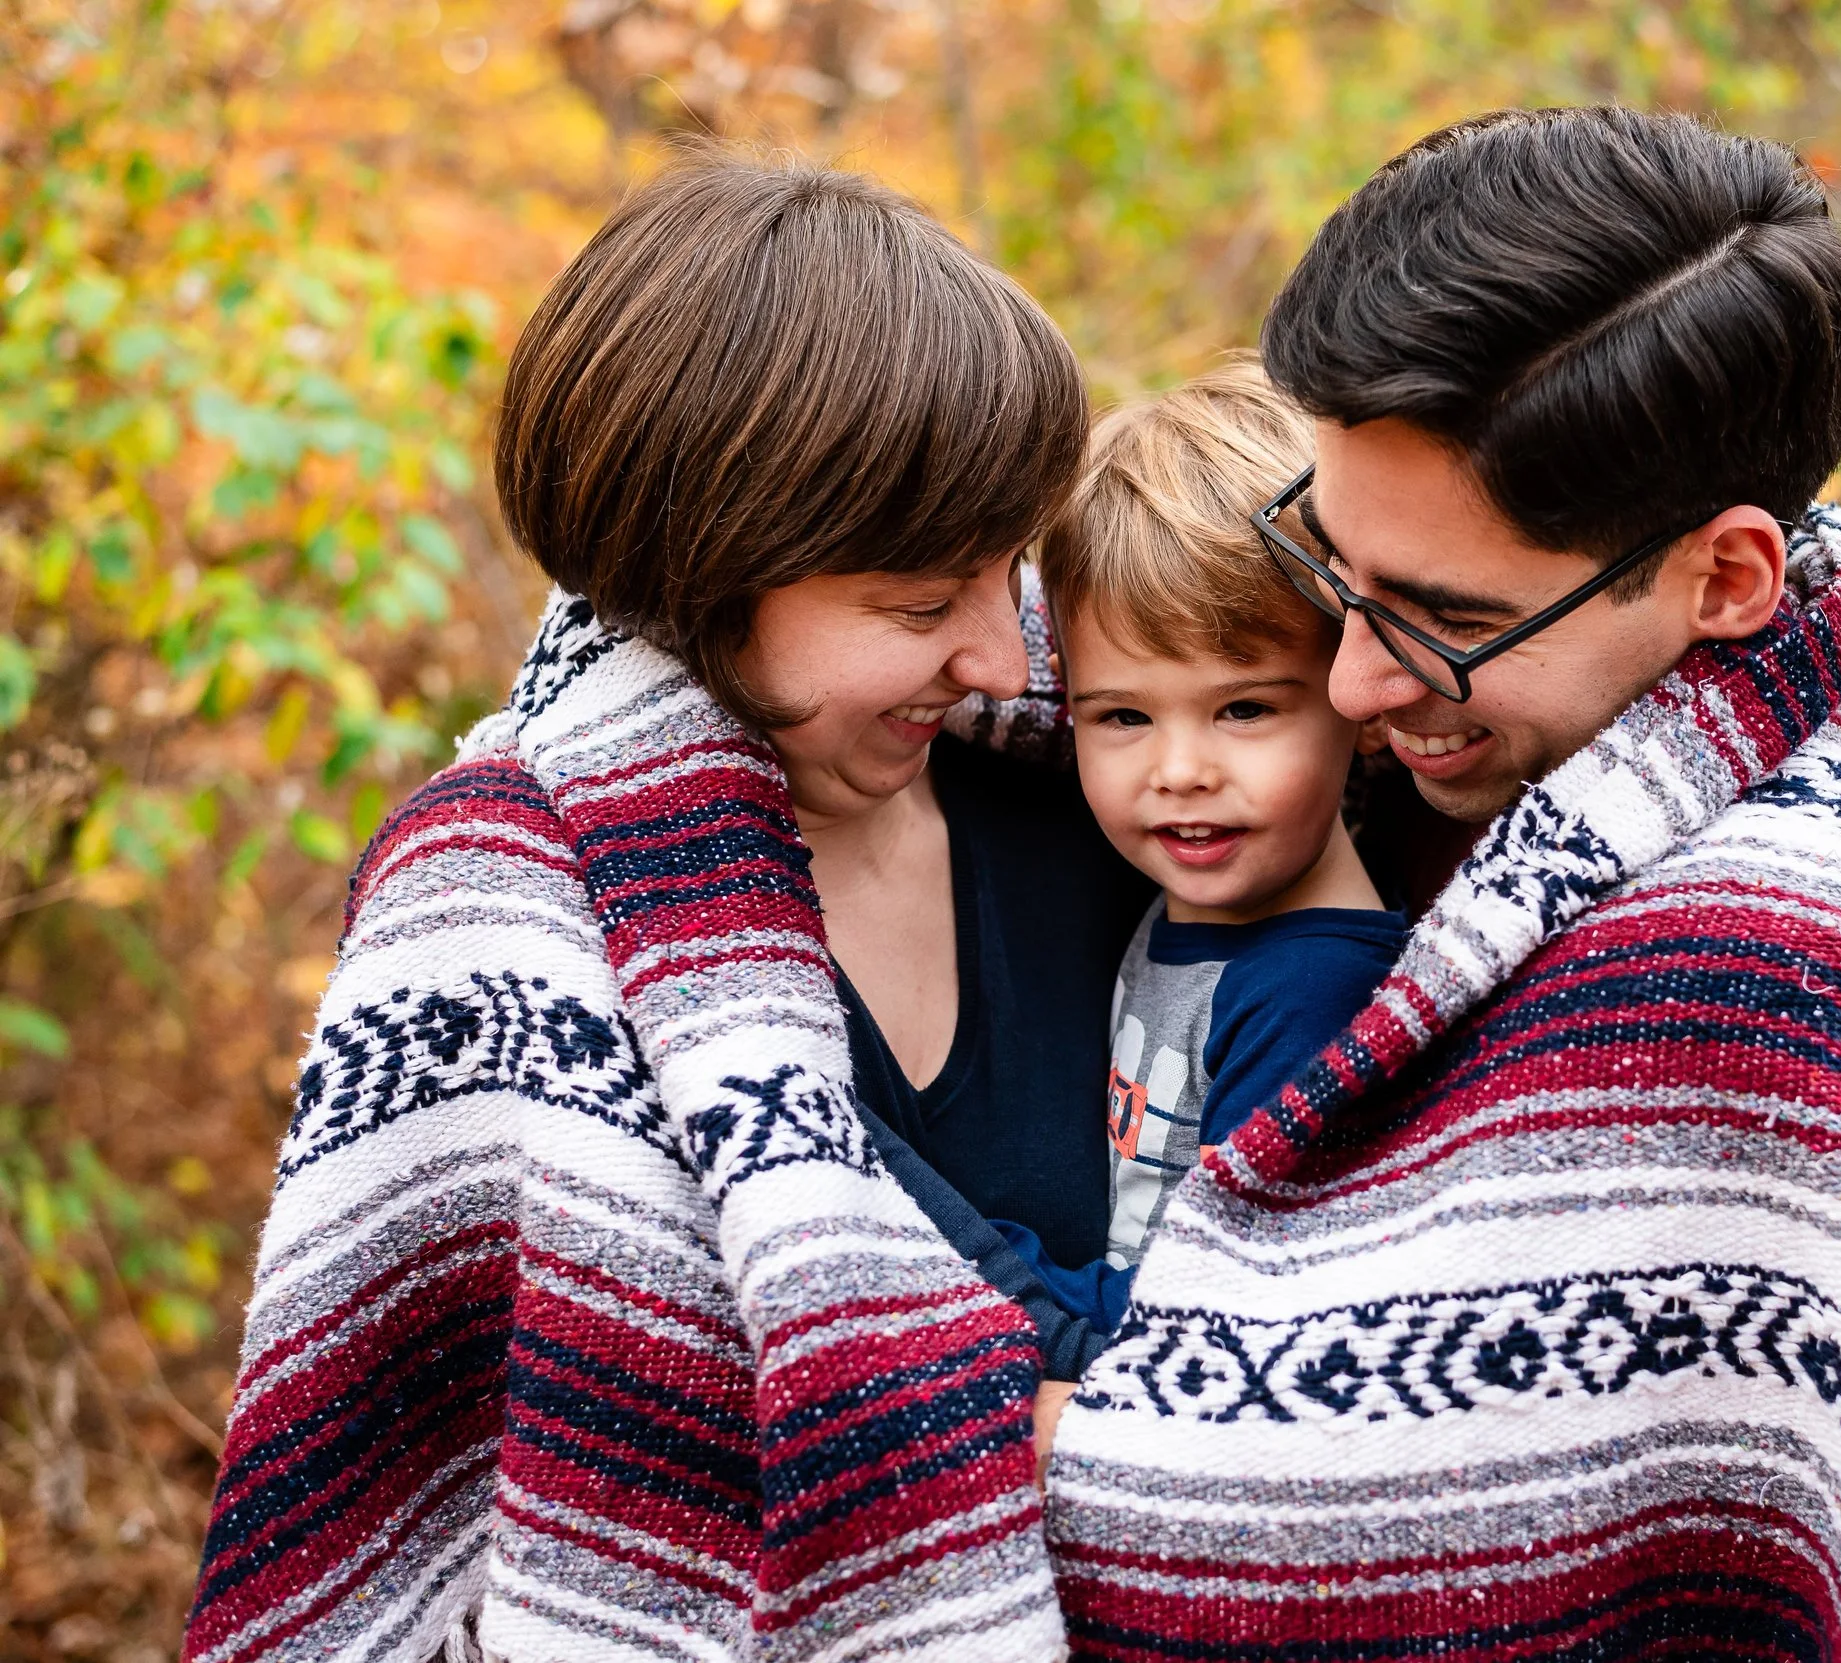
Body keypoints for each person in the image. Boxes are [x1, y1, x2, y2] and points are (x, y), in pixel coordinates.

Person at [1043, 109, 1841, 1663]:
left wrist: (959, 1408)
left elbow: (1347, 1521)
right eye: (1329, 566)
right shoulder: (1476, 752)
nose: (1346, 681)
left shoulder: (1774, 966)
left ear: (1729, 578)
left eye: (1439, 615)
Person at [185, 151, 1138, 1663]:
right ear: (709, 570)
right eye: (916, 601)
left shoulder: (1111, 790)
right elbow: (394, 1499)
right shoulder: (501, 919)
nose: (1003, 658)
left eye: (1006, 565)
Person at [985, 365, 1406, 1335]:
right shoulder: (1194, 914)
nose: (1179, 770)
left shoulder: (1311, 992)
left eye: (1244, 707)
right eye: (1123, 714)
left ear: (1361, 693)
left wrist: (976, 1260)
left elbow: (1219, 1312)